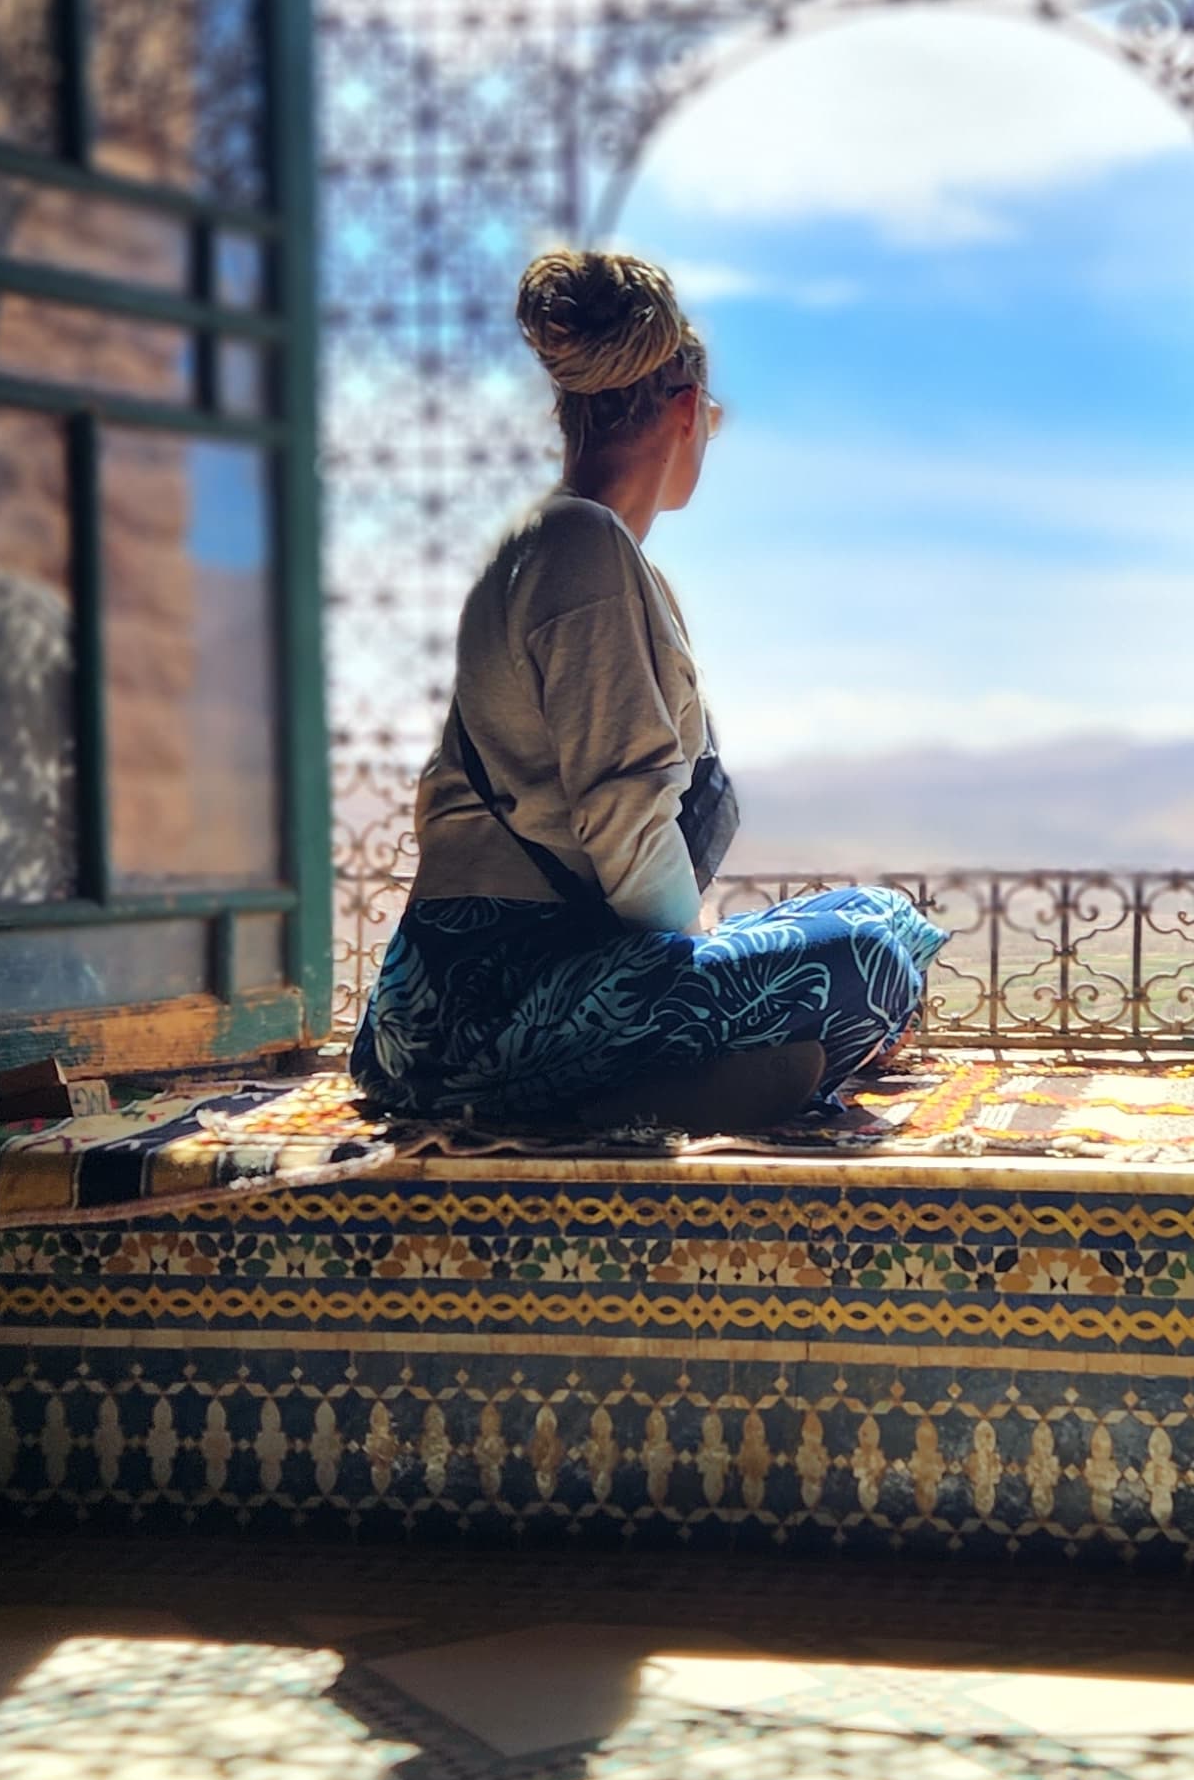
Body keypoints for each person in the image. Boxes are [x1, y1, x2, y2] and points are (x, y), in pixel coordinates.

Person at [350, 246, 943, 1135]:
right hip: (483, 1011)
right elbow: (625, 820)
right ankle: (609, 1093)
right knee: (868, 958)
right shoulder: (580, 549)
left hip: (481, 995)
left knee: (877, 915)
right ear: (684, 410)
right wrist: (698, 976)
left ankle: (677, 1074)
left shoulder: (568, 547)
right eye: (712, 420)